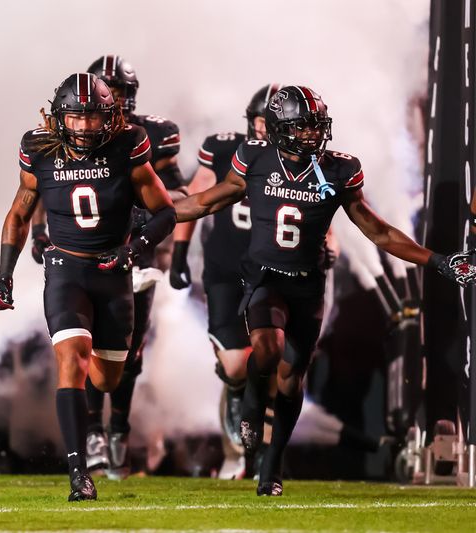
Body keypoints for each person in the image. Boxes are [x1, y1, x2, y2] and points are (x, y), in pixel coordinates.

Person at [174, 85, 476, 495]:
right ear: (280, 129)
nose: (313, 136)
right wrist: (151, 217)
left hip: (308, 285)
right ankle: (247, 402)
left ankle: (272, 466)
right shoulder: (255, 158)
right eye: (302, 128)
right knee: (266, 347)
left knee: (291, 380)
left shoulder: (337, 169)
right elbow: (207, 201)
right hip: (265, 276)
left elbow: (378, 231)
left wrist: (437, 260)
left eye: (316, 127)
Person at [0, 72, 176, 501]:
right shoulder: (38, 148)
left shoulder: (129, 145)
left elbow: (164, 211)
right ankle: (79, 474)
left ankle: (98, 373)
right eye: (76, 117)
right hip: (66, 269)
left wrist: (136, 247)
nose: (86, 127)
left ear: (110, 117)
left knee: (109, 378)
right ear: (60, 117)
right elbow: (19, 214)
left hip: (113, 273)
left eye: (95, 118)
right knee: (71, 360)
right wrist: (5, 274)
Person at [80, 55, 186, 479]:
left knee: (129, 350)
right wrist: (39, 233)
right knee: (84, 341)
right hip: (88, 247)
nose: (114, 99)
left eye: (120, 91)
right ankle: (92, 432)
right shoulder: (70, 129)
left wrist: (155, 215)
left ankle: (118, 425)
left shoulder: (149, 135)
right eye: (108, 90)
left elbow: (174, 186)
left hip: (137, 251)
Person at [170, 84, 280, 478]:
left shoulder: (301, 158)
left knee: (272, 361)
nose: (266, 130)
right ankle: (236, 401)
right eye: (261, 121)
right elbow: (196, 197)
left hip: (275, 272)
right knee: (236, 367)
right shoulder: (223, 148)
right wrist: (179, 252)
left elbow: (322, 210)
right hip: (226, 270)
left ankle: (261, 458)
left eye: (275, 122)